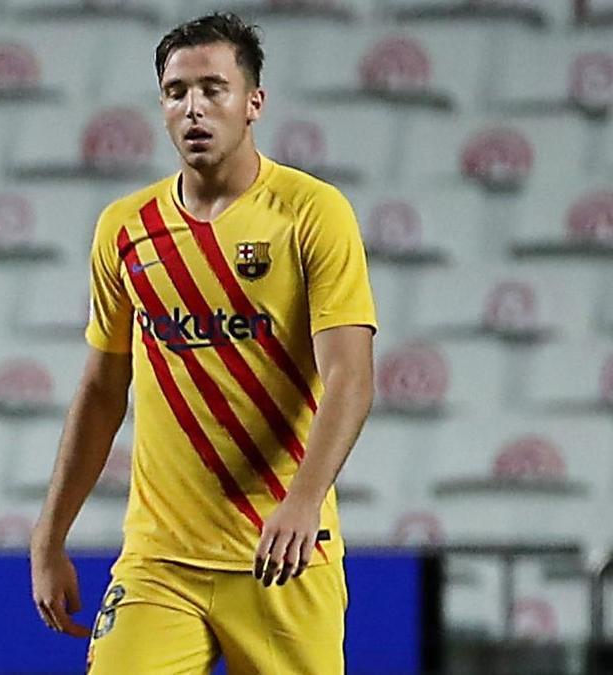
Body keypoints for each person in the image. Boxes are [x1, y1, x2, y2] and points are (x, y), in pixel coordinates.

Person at [30, 13, 377, 674]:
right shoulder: (125, 229)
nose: (193, 107)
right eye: (175, 91)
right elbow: (103, 390)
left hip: (281, 553)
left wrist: (303, 501)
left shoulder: (312, 213)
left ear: (254, 103)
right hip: (159, 562)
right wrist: (49, 533)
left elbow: (351, 377)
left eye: (213, 89)